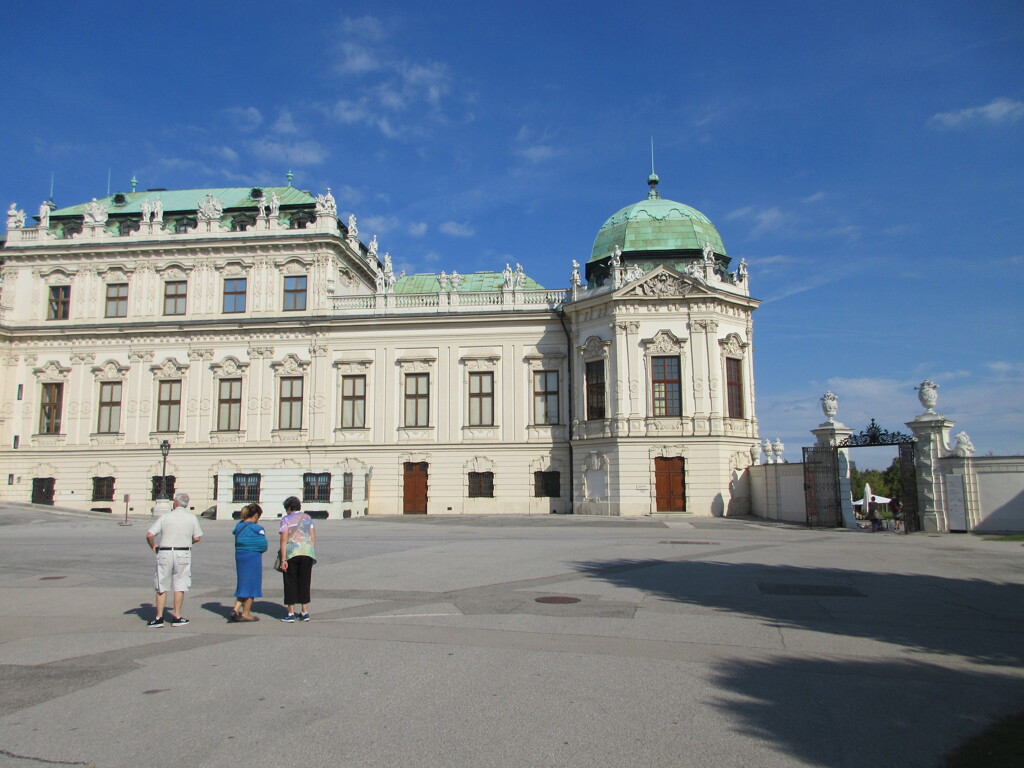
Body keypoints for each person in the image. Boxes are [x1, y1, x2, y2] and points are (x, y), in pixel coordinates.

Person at [145, 492, 202, 627]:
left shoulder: (165, 517)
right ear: (186, 504)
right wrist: (187, 541)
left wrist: (153, 546)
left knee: (161, 584)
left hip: (165, 552)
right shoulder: (191, 518)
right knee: (180, 584)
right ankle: (177, 616)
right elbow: (197, 537)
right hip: (183, 551)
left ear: (175, 503)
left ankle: (158, 617)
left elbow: (149, 535)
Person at [278, 496, 316, 622]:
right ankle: (305, 611)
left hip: (292, 553)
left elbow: (283, 540)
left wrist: (283, 560)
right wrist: (310, 551)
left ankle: (290, 613)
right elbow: (312, 536)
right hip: (307, 552)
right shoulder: (307, 518)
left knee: (290, 582)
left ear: (289, 507)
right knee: (305, 581)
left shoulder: (286, 519)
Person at [230, 503, 268, 622]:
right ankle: (246, 613)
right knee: (252, 585)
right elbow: (263, 545)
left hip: (240, 556)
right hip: (253, 557)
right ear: (256, 515)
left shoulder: (239, 525)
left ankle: (236, 609)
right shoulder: (257, 528)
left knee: (243, 583)